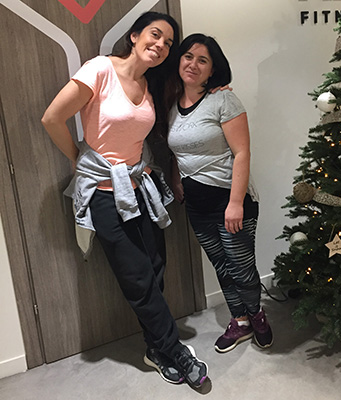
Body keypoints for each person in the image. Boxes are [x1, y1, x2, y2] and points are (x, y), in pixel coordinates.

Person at [41, 12, 208, 388]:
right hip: (104, 195)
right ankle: (176, 352)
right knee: (137, 279)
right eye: (155, 35)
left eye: (168, 43)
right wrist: (79, 159)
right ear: (134, 36)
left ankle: (156, 349)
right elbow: (52, 118)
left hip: (140, 189)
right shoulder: (100, 69)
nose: (161, 45)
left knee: (156, 269)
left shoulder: (150, 84)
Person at [167, 34, 273, 354]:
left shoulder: (223, 99)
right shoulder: (171, 105)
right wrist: (177, 181)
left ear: (212, 70)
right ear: (179, 60)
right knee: (222, 266)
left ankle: (257, 316)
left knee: (241, 267)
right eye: (188, 56)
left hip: (230, 201)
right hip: (197, 206)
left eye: (203, 60)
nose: (193, 64)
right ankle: (240, 321)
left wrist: (236, 203)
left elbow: (242, 153)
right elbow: (177, 151)